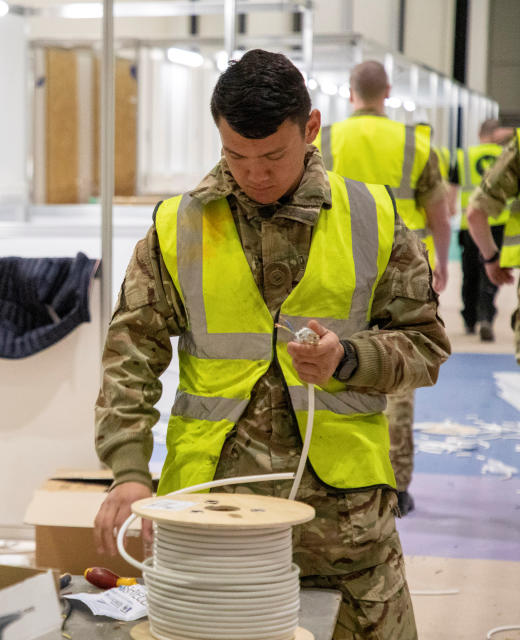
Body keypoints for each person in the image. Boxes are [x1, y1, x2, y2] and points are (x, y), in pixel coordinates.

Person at [92, 49, 449, 639]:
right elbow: (130, 355)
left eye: (274, 156)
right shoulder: (177, 227)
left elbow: (426, 346)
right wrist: (129, 469)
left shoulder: (375, 218)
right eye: (236, 155)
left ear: (310, 129)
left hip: (345, 530)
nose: (254, 174)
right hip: (210, 518)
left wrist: (349, 358)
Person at [313, 60, 451, 517]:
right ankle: (398, 482)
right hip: (402, 271)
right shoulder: (417, 144)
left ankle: (336, 473)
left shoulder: (323, 139)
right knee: (396, 374)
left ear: (350, 92)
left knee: (333, 364)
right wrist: (442, 265)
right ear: (387, 92)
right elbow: (437, 213)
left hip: (339, 269)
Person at [454, 119, 515, 341]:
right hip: (499, 222)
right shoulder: (507, 155)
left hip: (468, 224)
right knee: (491, 271)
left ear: (480, 133)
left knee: (469, 272)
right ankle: (486, 316)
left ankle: (469, 318)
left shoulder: (464, 156)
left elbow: (453, 192)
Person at [466, 128, 520, 359]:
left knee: (470, 278)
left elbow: (475, 212)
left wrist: (490, 258)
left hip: (475, 229)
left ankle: (475, 318)